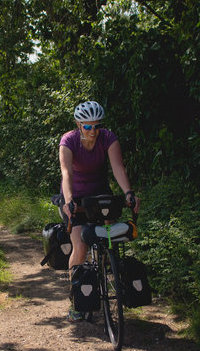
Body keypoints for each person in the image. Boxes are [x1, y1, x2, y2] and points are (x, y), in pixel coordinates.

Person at [59, 100, 140, 321]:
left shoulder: (108, 138)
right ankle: (76, 302)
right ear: (78, 124)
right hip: (75, 196)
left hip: (100, 194)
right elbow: (67, 173)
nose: (93, 131)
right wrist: (68, 201)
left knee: (109, 240)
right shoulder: (69, 141)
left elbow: (118, 168)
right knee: (81, 246)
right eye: (87, 126)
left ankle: (107, 269)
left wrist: (128, 193)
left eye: (96, 125)